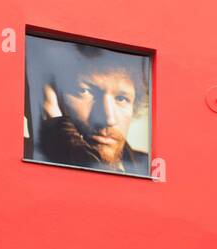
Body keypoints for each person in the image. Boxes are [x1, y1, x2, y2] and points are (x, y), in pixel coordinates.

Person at [31, 40, 150, 175]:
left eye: (121, 99)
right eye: (84, 92)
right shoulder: (27, 153)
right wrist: (58, 129)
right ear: (54, 95)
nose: (108, 119)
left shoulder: (148, 168)